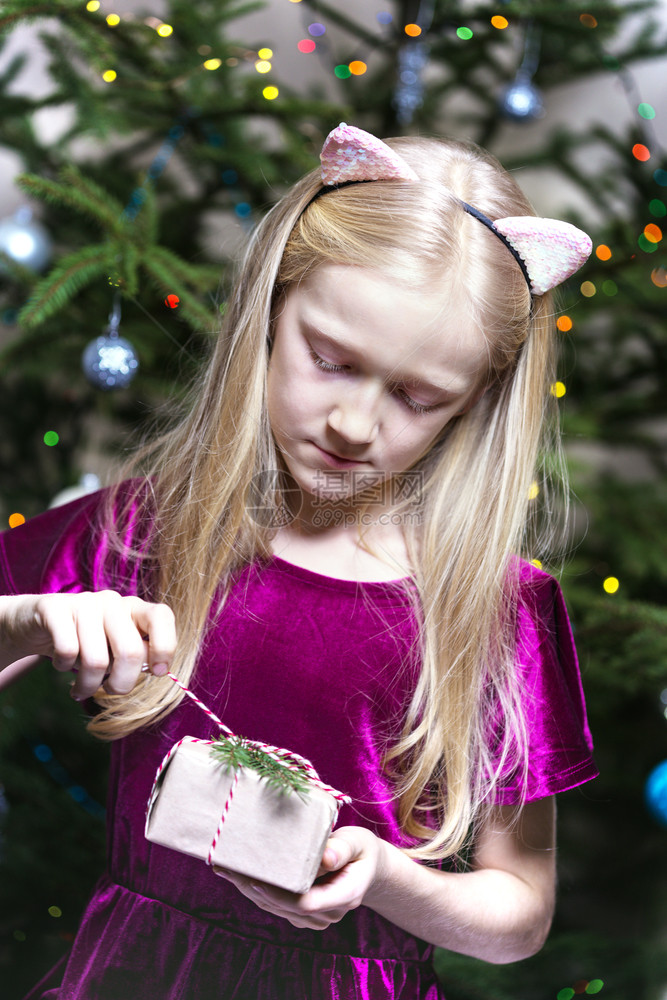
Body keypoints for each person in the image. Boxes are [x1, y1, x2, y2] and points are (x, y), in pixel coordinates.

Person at [0, 123, 598, 1000]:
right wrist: (24, 619)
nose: (354, 425)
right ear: (271, 311)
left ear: (473, 404)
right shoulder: (149, 526)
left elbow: (519, 912)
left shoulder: (495, 606)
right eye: (330, 360)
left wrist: (389, 881)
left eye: (416, 396)